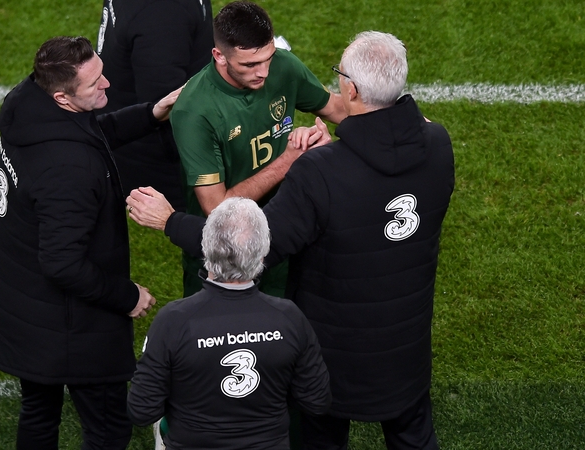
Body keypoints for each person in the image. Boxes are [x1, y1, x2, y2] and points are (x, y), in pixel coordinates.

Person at [127, 31, 455, 450]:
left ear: (351, 89)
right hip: (405, 354)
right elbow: (408, 134)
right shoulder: (439, 145)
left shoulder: (322, 171)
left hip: (334, 360)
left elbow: (250, 251)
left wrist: (171, 221)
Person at [0, 36, 180, 449]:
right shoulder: (69, 171)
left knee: (38, 414)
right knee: (108, 428)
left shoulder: (27, 104)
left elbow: (90, 132)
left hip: (24, 305)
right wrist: (127, 296)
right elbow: (62, 263)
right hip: (68, 327)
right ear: (63, 97)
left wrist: (151, 113)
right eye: (95, 84)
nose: (107, 83)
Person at [169, 1, 346, 298]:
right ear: (219, 56)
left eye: (268, 58)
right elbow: (217, 208)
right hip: (226, 253)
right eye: (250, 65)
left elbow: (338, 109)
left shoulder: (284, 67)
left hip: (286, 232)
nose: (263, 72)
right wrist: (289, 161)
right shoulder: (194, 110)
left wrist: (406, 120)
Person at [127, 197, 332, 449]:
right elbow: (317, 401)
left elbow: (141, 410)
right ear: (263, 252)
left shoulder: (174, 320)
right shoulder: (289, 317)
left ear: (205, 246)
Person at [95, 0, 213, 210]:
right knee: (212, 229)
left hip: (128, 131)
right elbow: (167, 103)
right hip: (160, 152)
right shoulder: (163, 12)